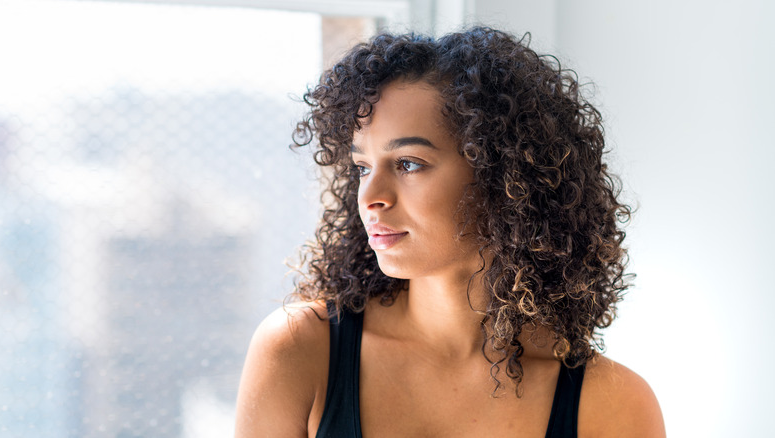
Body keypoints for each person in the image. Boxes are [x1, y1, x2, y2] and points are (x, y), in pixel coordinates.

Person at [234, 27, 665, 437]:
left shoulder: (612, 403)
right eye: (362, 167)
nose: (370, 196)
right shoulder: (300, 352)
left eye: (408, 164)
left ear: (505, 177)